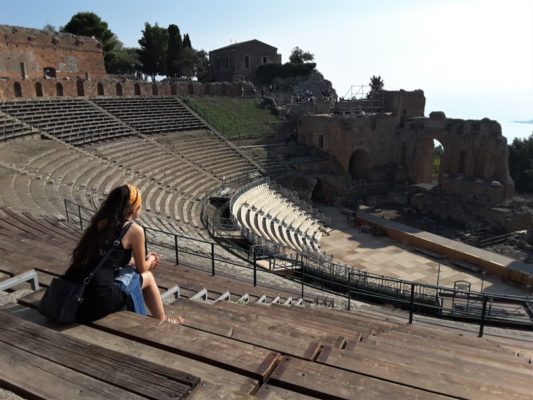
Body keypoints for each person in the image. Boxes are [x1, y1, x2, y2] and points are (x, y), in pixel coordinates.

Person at [64, 184, 183, 324]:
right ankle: (162, 322)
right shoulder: (134, 230)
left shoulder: (101, 222)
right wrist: (151, 259)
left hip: (76, 286)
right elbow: (142, 269)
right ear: (134, 208)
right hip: (98, 298)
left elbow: (108, 258)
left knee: (129, 272)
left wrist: (134, 261)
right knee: (147, 277)